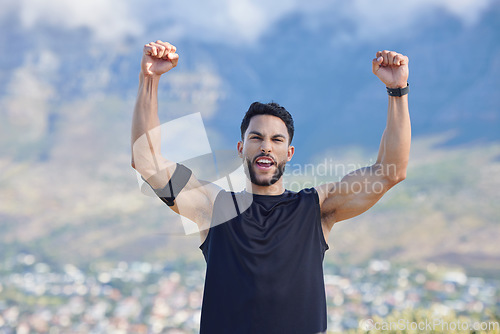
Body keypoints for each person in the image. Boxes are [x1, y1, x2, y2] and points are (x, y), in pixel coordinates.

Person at [131, 40, 410, 334]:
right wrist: (150, 78)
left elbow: (389, 172)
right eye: (256, 138)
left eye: (277, 140)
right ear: (241, 148)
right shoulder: (214, 208)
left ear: (289, 153)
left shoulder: (316, 208)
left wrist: (398, 91)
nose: (266, 147)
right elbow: (146, 161)